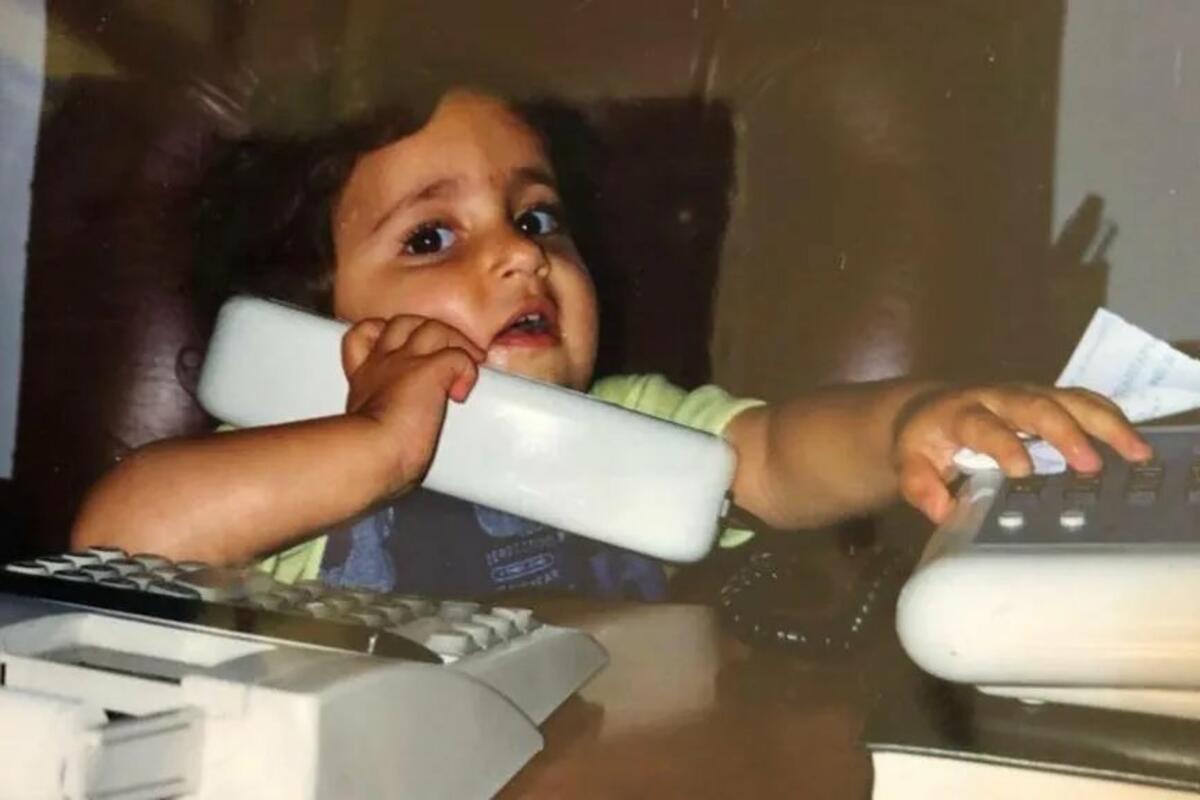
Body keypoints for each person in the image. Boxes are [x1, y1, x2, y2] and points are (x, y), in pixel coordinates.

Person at [70, 88, 1151, 600]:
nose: (520, 256)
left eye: (537, 218)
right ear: (305, 330)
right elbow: (117, 541)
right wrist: (378, 444)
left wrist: (910, 420)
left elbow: (777, 454)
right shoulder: (302, 465)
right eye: (432, 236)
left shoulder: (628, 420)